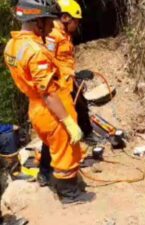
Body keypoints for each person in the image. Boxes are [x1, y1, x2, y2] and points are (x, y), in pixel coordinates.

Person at [3, 0, 90, 204]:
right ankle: (69, 194)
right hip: (52, 107)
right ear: (37, 22)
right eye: (49, 21)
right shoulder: (35, 51)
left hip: (35, 106)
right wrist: (67, 121)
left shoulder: (12, 45)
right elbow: (48, 93)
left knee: (52, 145)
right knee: (66, 149)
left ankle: (47, 176)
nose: (53, 26)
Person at [38, 0, 91, 187]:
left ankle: (67, 161)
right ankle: (45, 172)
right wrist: (73, 74)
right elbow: (51, 63)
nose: (78, 25)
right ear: (66, 17)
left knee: (71, 125)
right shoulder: (53, 35)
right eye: (76, 20)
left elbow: (65, 61)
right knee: (57, 130)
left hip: (66, 88)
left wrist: (74, 77)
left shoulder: (64, 35)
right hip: (56, 91)